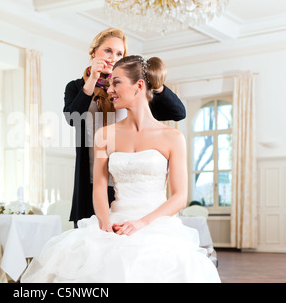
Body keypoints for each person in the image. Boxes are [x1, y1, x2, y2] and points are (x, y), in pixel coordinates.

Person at [22, 55, 220, 282]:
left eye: (116, 82)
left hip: (156, 225)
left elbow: (179, 197)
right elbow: (98, 187)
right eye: (109, 84)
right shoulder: (103, 136)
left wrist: (142, 223)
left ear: (139, 86)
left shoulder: (173, 137)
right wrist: (105, 224)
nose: (109, 89)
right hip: (114, 222)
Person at [63, 28, 186, 227]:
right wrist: (93, 79)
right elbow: (73, 118)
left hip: (125, 179)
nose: (113, 57)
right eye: (108, 51)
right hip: (93, 178)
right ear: (94, 52)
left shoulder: (132, 90)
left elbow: (178, 112)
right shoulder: (77, 88)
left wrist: (154, 81)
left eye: (119, 53)